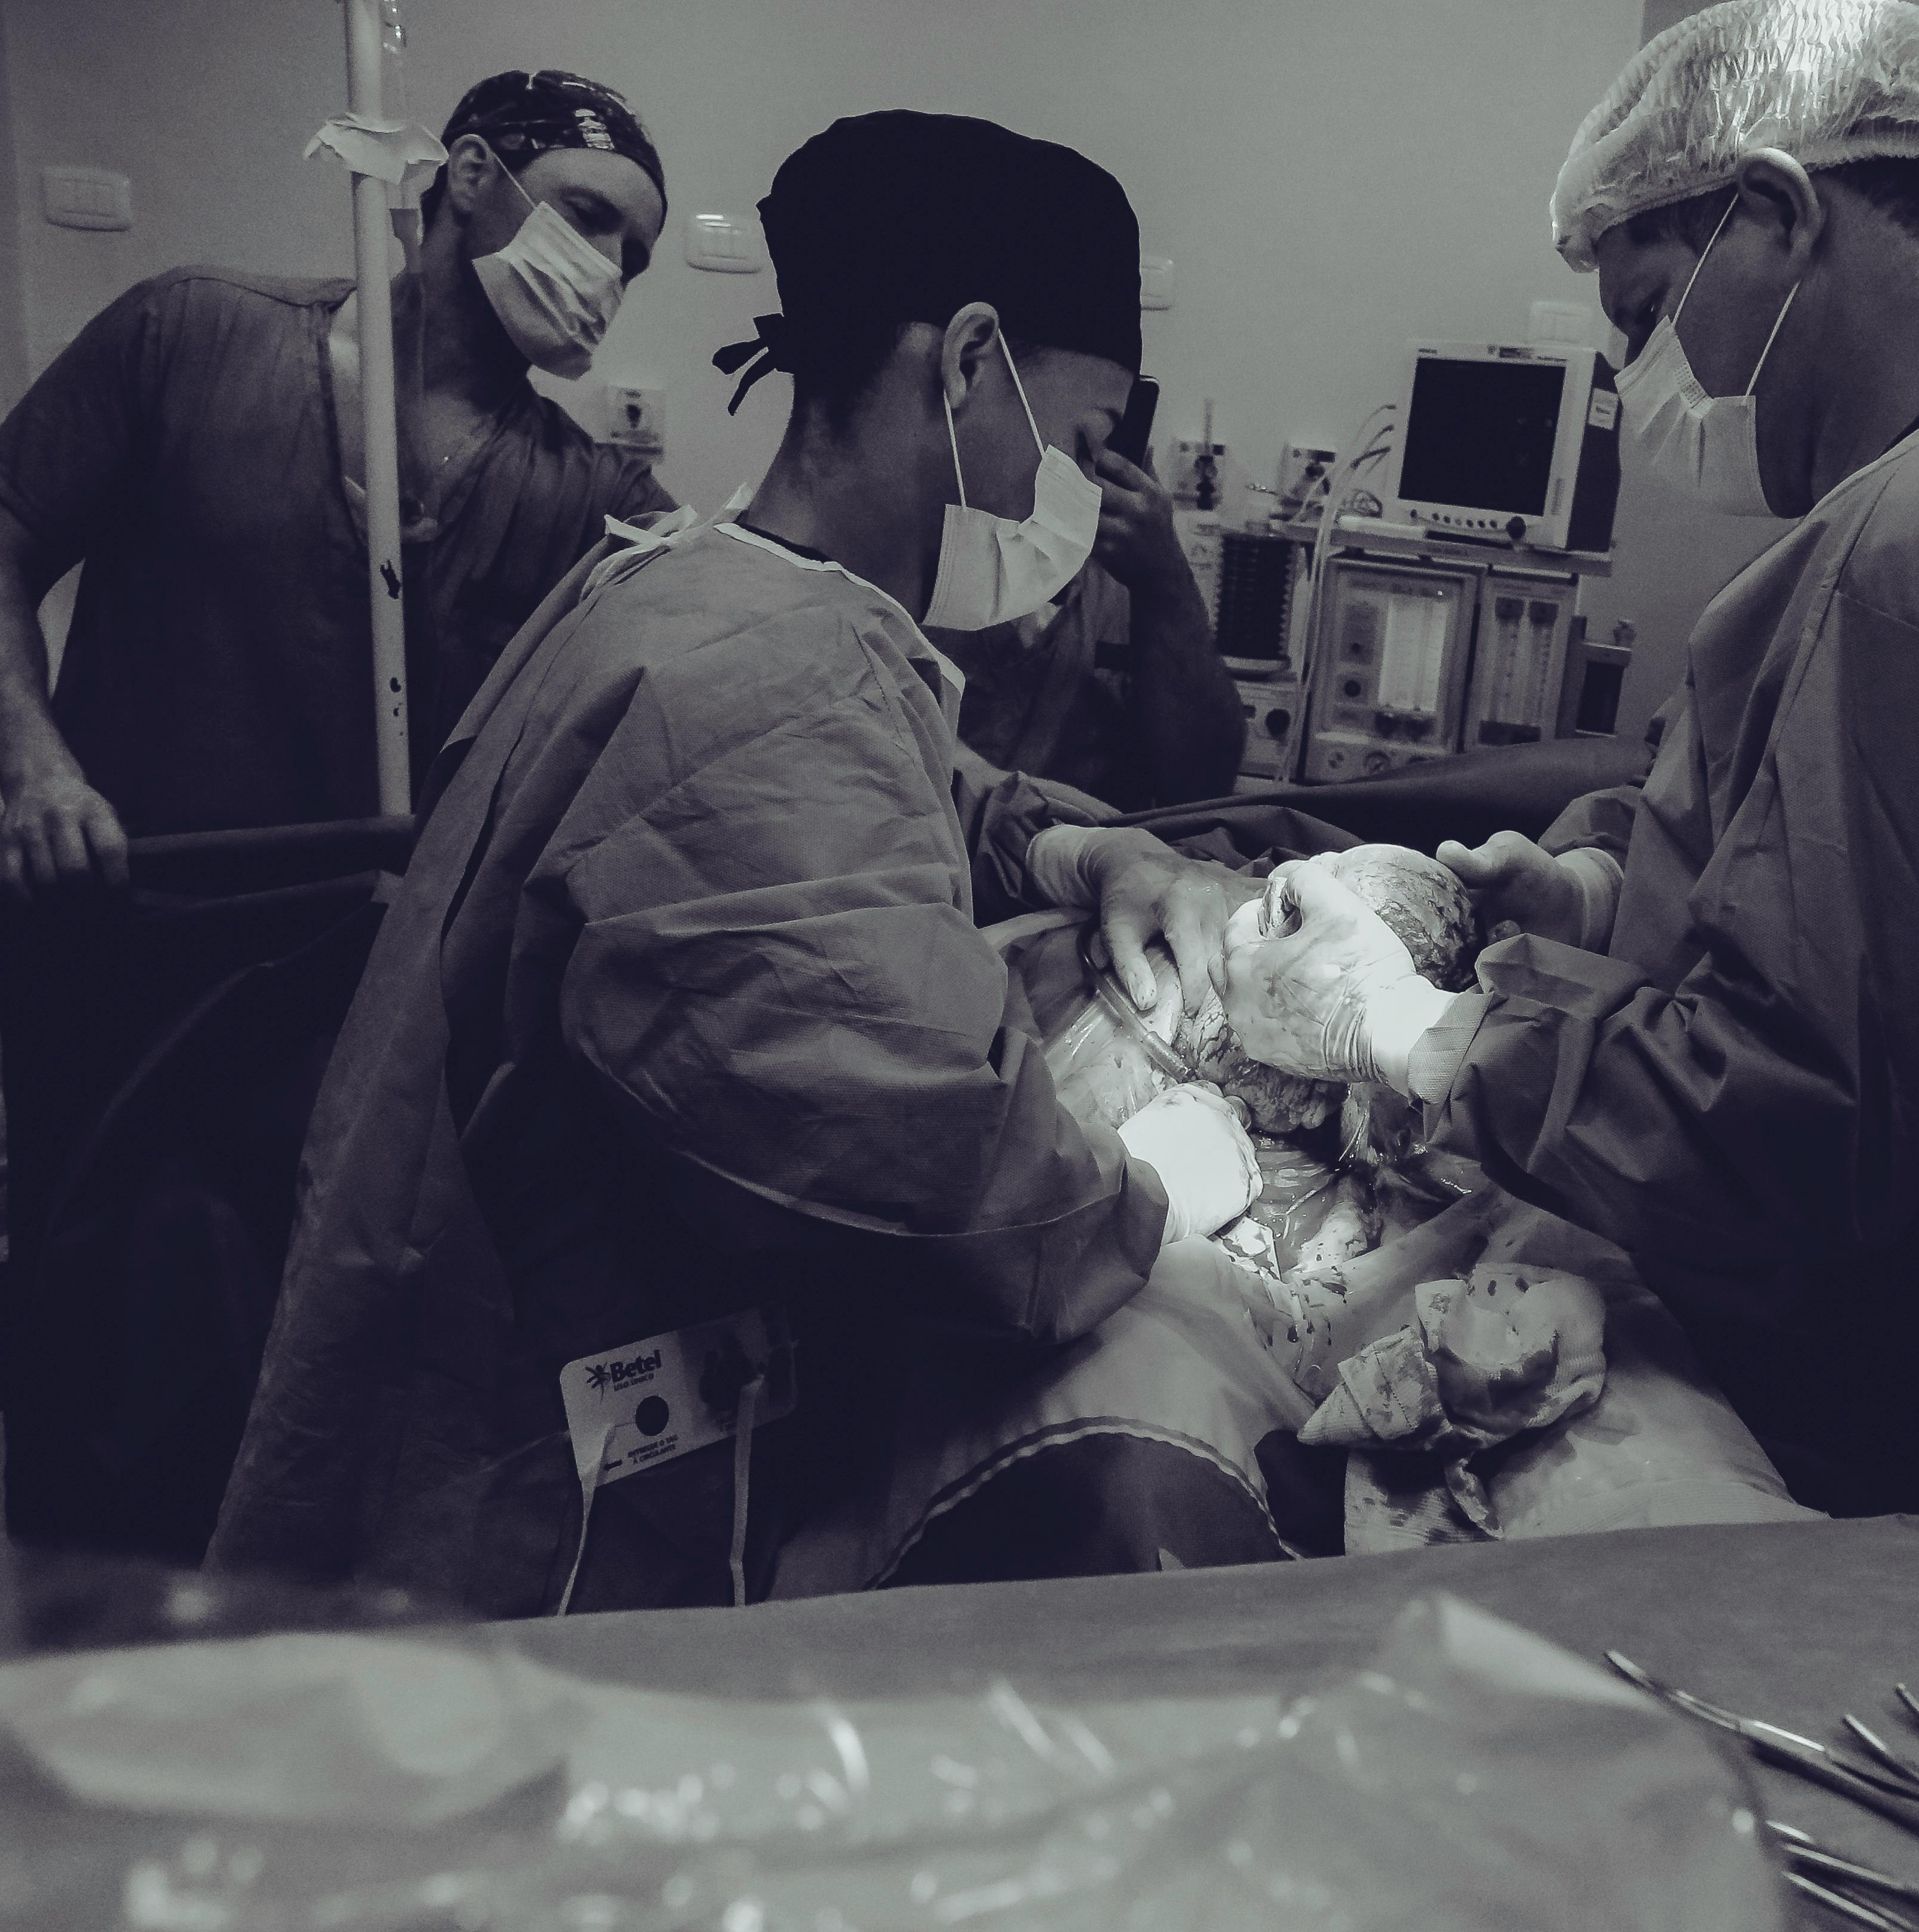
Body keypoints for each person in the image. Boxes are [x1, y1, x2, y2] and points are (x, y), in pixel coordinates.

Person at [208, 112, 1261, 1615]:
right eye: (1081, 450)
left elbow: (898, 779)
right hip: (541, 1539)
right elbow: (977, 1203)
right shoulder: (762, 689)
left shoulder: (704, 586)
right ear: (966, 366)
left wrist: (1079, 844)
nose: (1083, 505)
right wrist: (1175, 1167)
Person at [1223, 0, 1919, 1516]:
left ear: (1776, 214)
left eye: (1646, 313)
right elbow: (1873, 885)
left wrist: (1417, 1034)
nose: (1645, 376)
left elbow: (1792, 1124)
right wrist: (1601, 889)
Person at [0, 68, 676, 888]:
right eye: (588, 218)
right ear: (470, 173)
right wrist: (37, 776)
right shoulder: (193, 335)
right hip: (137, 922)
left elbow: (724, 626)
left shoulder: (590, 495)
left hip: (374, 964)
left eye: (631, 259)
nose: (606, 271)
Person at [923, 475, 1248, 809]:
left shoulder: (1129, 570)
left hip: (1100, 848)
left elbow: (1204, 788)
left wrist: (1166, 583)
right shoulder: (934, 549)